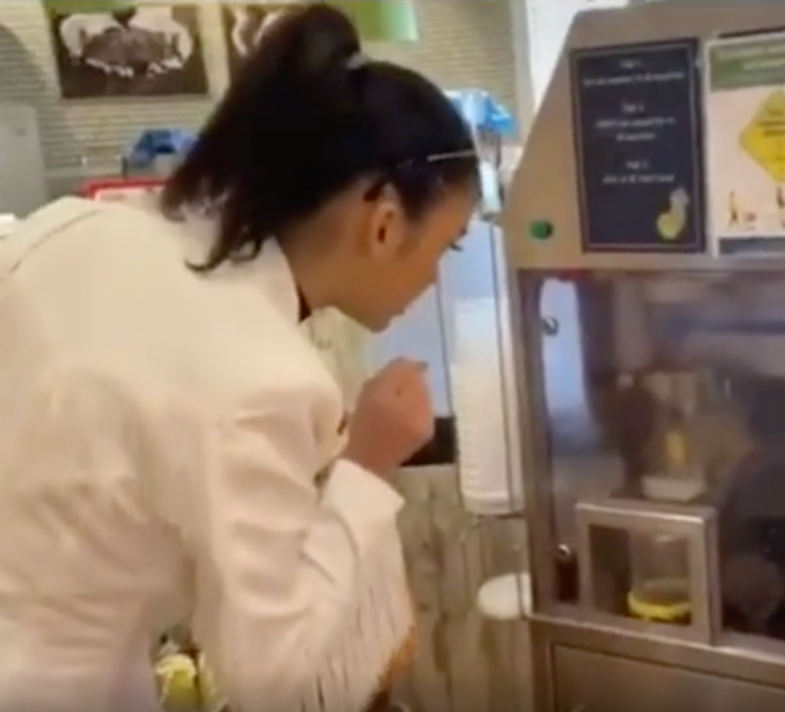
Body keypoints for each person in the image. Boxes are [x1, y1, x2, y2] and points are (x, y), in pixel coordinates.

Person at [0, 5, 479, 712]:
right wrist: (366, 465)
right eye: (447, 246)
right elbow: (276, 679)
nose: (436, 276)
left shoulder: (76, 226)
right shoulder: (264, 378)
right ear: (383, 225)